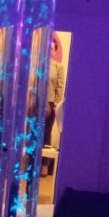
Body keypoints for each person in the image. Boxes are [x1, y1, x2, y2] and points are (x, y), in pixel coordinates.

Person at [43, 38, 66, 176]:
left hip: (50, 104)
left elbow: (60, 86)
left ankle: (44, 165)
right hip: (33, 103)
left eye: (51, 48)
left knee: (46, 133)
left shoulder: (58, 67)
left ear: (54, 51)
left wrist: (56, 104)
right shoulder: (34, 65)